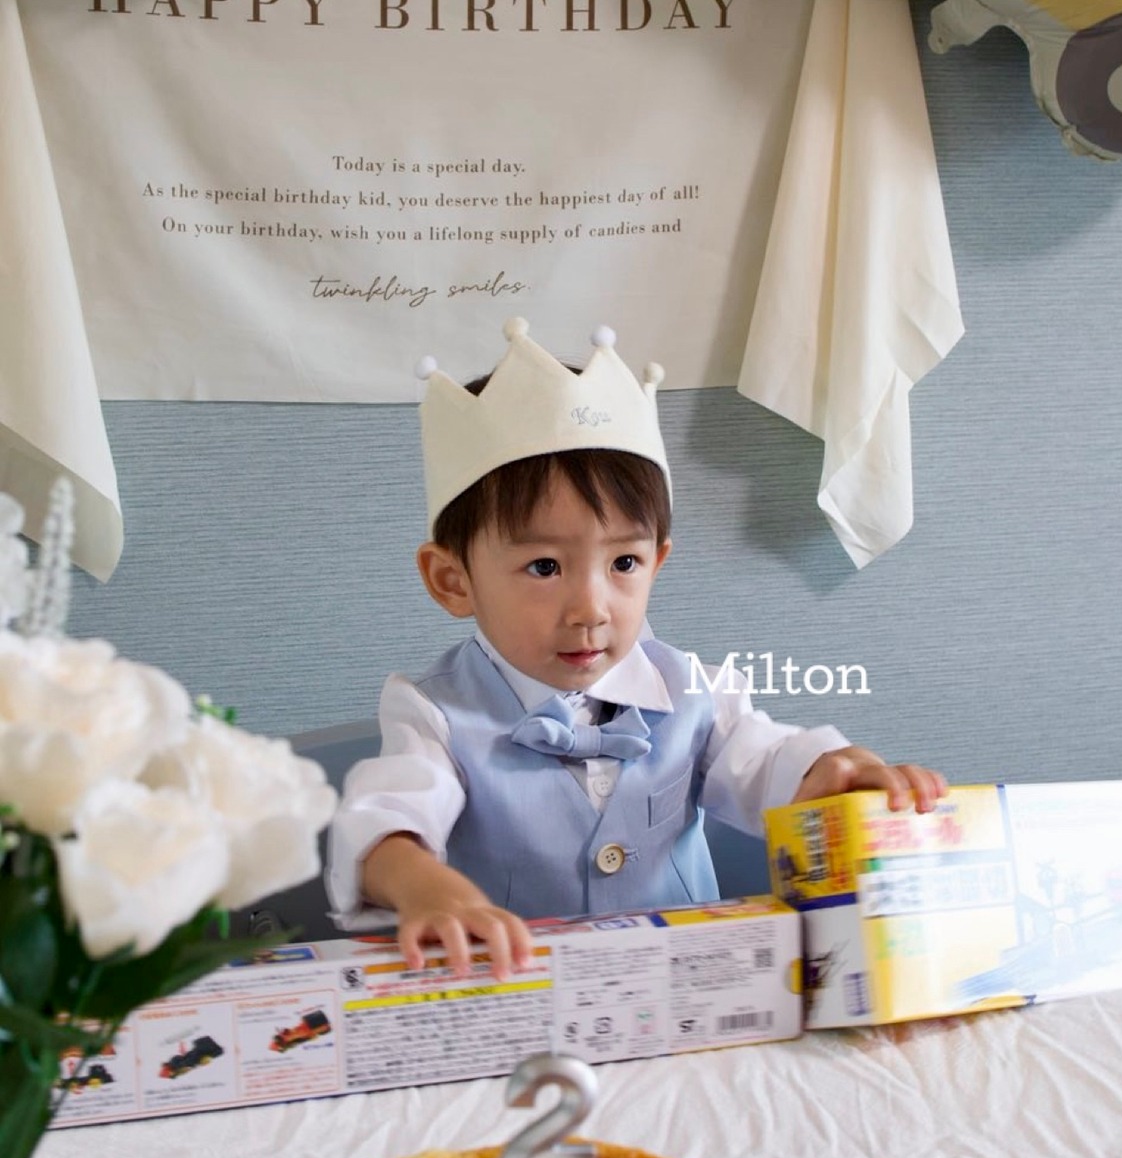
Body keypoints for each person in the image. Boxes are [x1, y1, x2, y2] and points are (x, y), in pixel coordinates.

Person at [327, 317, 946, 978]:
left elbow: (770, 762)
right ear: (453, 581)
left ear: (658, 562)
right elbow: (386, 820)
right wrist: (422, 885)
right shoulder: (435, 713)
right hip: (524, 999)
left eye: (624, 562)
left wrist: (837, 771)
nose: (591, 609)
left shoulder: (696, 690)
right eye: (544, 567)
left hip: (693, 992)